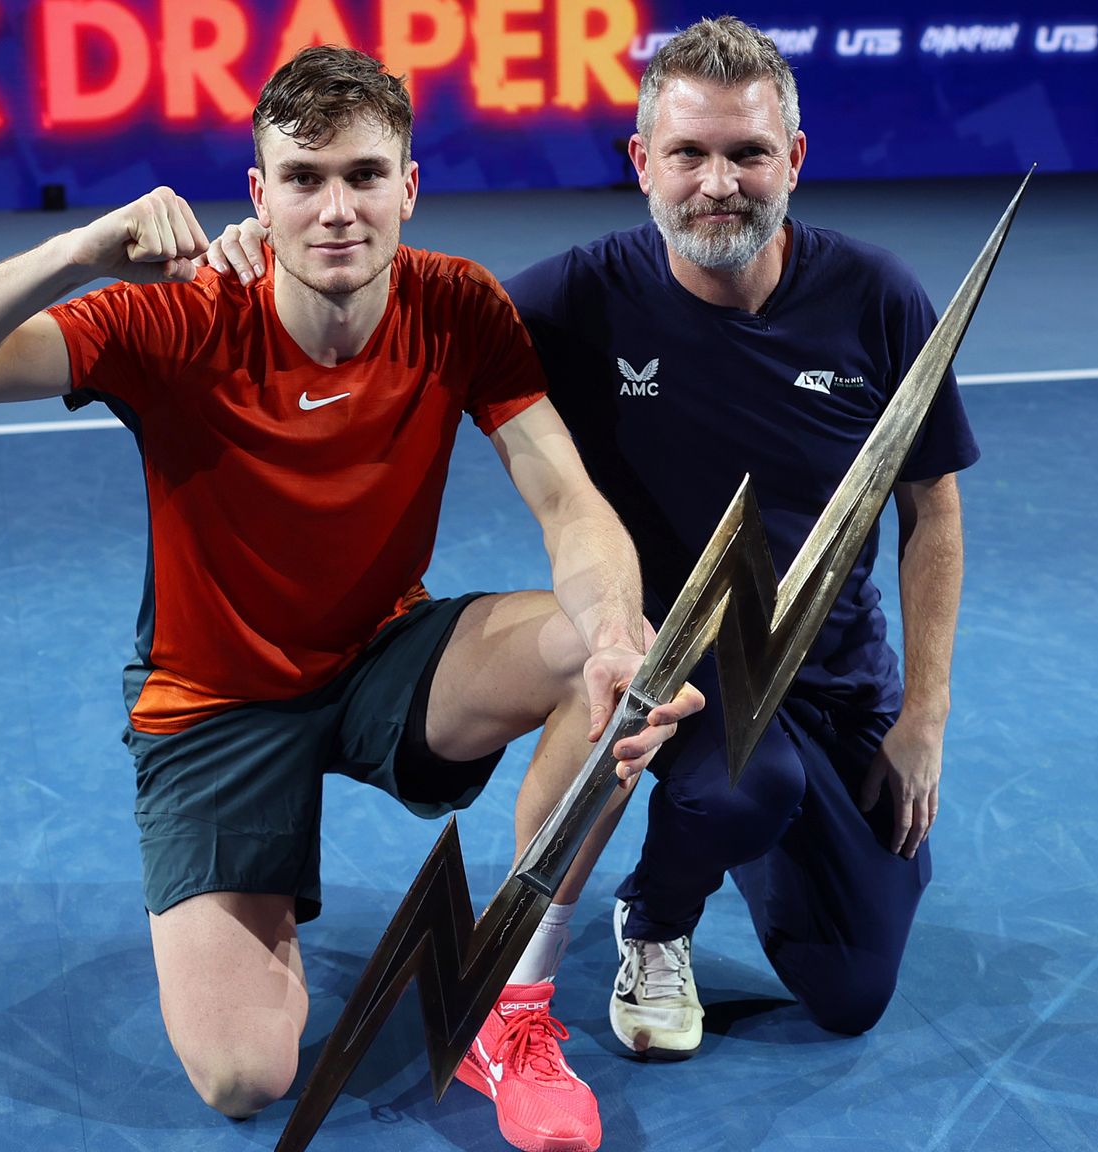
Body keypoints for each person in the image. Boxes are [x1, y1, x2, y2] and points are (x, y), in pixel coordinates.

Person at [0, 45, 700, 1152]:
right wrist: (83, 246)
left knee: (609, 666)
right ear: (258, 197)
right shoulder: (177, 321)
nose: (336, 209)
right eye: (303, 180)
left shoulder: (455, 306)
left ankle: (510, 1006)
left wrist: (609, 630)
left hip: (380, 656)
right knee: (241, 1077)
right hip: (212, 703)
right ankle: (233, 890)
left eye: (364, 176)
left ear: (407, 187)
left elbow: (564, 498)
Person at [202, 14, 976, 1087]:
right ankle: (654, 922)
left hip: (832, 678)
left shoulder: (877, 299)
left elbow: (928, 506)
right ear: (641, 165)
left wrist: (924, 715)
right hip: (672, 668)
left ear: (791, 159)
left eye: (747, 152)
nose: (717, 182)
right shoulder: (572, 301)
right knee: (742, 789)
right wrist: (269, 252)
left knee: (850, 992)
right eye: (687, 154)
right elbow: (394, 322)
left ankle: (762, 829)